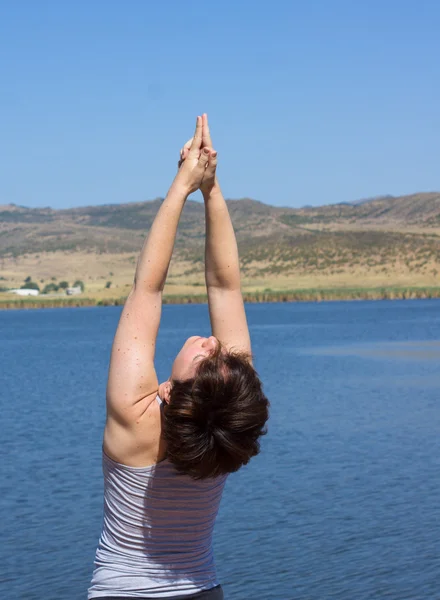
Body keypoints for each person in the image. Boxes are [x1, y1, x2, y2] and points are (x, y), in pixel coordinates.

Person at [88, 115, 269, 600]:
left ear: (175, 392)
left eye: (206, 358)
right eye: (220, 354)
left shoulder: (136, 418)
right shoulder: (232, 422)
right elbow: (225, 287)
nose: (212, 344)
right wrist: (211, 191)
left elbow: (147, 288)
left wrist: (181, 185)